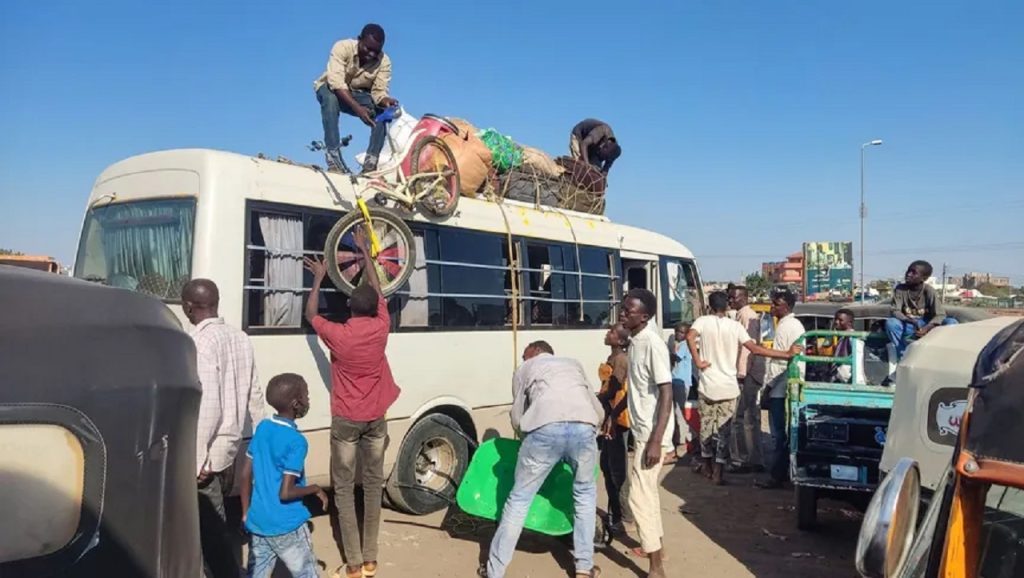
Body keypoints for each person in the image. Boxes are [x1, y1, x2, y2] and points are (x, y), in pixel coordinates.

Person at [304, 227, 400, 578]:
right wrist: (365, 253)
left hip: (346, 419)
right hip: (376, 418)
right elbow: (376, 288)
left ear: (348, 306)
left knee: (344, 489)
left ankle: (355, 564)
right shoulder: (381, 327)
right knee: (373, 485)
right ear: (375, 309)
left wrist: (319, 279)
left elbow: (311, 315)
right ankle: (371, 558)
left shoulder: (339, 335)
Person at [482, 341, 603, 578]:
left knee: (519, 500)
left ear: (536, 351)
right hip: (584, 429)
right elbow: (597, 409)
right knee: (585, 497)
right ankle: (584, 568)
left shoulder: (524, 369)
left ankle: (495, 572)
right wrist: (591, 430)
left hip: (543, 431)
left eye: (525, 355)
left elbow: (517, 415)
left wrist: (525, 438)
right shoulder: (573, 364)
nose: (523, 360)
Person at [182, 279, 265, 578]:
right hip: (230, 447)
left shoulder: (199, 342)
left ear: (188, 307)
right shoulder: (239, 337)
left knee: (212, 533)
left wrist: (198, 460)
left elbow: (209, 406)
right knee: (215, 529)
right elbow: (255, 394)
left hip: (207, 455)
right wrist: (262, 439)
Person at [686, 291, 800, 485]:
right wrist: (786, 354)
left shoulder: (702, 321)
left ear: (710, 306)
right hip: (729, 387)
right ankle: (719, 472)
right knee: (725, 431)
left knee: (706, 427)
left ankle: (707, 465)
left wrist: (698, 361)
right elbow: (755, 349)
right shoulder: (735, 326)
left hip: (708, 385)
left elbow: (690, 336)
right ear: (726, 306)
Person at [239, 373, 328, 578]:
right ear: (296, 403)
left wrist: (245, 513)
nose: (308, 400)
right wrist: (315, 489)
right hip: (287, 523)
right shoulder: (296, 441)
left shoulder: (263, 428)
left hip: (258, 521)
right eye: (306, 395)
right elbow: (285, 493)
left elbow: (245, 475)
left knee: (256, 573)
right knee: (306, 573)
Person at [619, 288, 673, 578]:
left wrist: (656, 440)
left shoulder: (652, 343)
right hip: (642, 431)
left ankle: (656, 568)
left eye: (628, 310)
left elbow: (666, 392)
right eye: (622, 308)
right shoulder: (634, 341)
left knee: (638, 498)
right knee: (647, 495)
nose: (622, 313)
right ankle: (658, 552)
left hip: (651, 436)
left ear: (644, 316)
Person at [314, 24, 399, 173]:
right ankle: (333, 157)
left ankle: (371, 163)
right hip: (330, 89)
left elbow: (378, 92)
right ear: (359, 39)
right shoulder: (342, 47)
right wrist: (358, 110)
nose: (371, 54)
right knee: (331, 100)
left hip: (357, 95)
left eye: (376, 51)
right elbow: (336, 84)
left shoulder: (384, 62)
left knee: (382, 112)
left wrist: (386, 101)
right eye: (368, 48)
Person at [756, 289, 805, 490]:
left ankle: (777, 476)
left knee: (779, 434)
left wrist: (767, 388)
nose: (772, 307)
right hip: (789, 385)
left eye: (776, 304)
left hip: (781, 387)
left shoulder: (787, 327)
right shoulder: (792, 325)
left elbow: (779, 362)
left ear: (786, 306)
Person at [885, 260, 958, 360]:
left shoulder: (929, 291)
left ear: (924, 278)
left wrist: (927, 328)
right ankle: (903, 354)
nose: (909, 274)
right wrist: (909, 320)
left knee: (951, 322)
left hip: (927, 325)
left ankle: (942, 354)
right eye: (908, 271)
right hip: (908, 325)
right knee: (891, 323)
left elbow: (940, 314)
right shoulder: (900, 289)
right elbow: (895, 310)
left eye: (914, 273)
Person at [597, 324, 632, 532]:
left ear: (620, 341)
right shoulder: (613, 358)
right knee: (607, 465)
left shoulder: (620, 360)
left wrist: (598, 399)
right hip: (610, 417)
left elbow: (615, 387)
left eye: (611, 332)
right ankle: (616, 513)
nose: (606, 334)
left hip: (617, 419)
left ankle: (624, 516)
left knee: (616, 468)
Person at [727, 285, 765, 473]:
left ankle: (742, 460)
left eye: (733, 297)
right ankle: (753, 458)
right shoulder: (743, 315)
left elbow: (748, 348)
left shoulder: (747, 316)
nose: (730, 301)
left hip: (748, 373)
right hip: (751, 372)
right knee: (750, 418)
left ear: (743, 298)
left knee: (740, 419)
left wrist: (741, 373)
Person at [666, 322, 693, 462]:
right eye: (677, 331)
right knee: (675, 412)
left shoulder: (684, 345)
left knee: (679, 412)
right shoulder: (679, 345)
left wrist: (666, 351)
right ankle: (681, 439)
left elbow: (675, 357)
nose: (678, 334)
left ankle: (687, 438)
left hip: (681, 382)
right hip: (676, 381)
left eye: (682, 332)